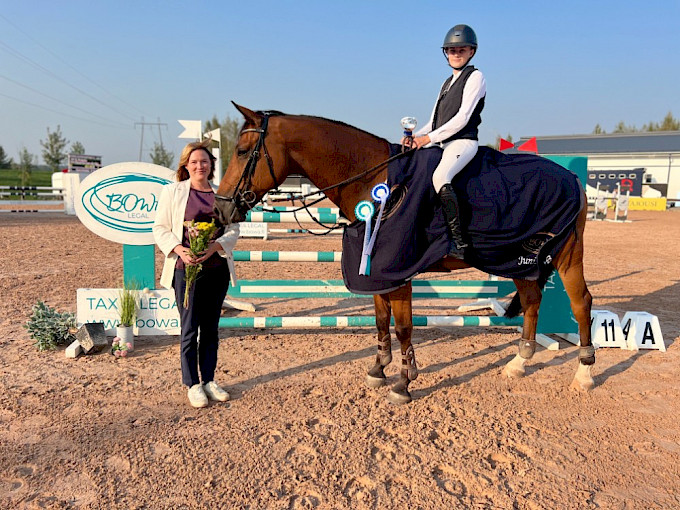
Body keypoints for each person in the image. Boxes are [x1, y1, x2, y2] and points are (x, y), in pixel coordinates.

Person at [153, 139, 239, 408]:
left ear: (211, 165)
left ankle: (210, 380)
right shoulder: (173, 192)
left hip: (216, 270)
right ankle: (192, 384)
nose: (199, 166)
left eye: (204, 161)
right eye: (194, 162)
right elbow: (160, 228)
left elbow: (234, 229)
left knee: (211, 329)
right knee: (190, 329)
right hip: (185, 271)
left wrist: (214, 247)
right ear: (186, 166)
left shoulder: (222, 194)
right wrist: (179, 249)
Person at [405, 24, 486, 259]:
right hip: (441, 142)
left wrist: (427, 139)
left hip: (463, 142)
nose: (456, 54)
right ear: (446, 53)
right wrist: (414, 138)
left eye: (461, 50)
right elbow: (433, 121)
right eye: (452, 50)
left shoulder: (476, 77)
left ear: (471, 52)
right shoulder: (446, 82)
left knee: (440, 177)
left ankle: (459, 243)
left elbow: (462, 118)